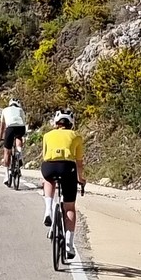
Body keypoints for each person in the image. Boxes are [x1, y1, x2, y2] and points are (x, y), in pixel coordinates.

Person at [40, 110, 87, 261]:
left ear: (56, 122)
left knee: (48, 180)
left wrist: (45, 175)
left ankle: (48, 209)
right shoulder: (76, 136)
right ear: (71, 123)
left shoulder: (47, 135)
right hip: (67, 168)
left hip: (49, 167)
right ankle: (69, 244)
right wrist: (81, 179)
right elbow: (79, 163)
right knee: (70, 207)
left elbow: (45, 156)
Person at [0, 97, 28, 185]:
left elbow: (2, 125)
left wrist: (0, 137)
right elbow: (23, 122)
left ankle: (6, 175)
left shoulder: (5, 110)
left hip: (10, 128)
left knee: (7, 151)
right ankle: (19, 153)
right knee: (18, 137)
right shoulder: (20, 110)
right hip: (20, 127)